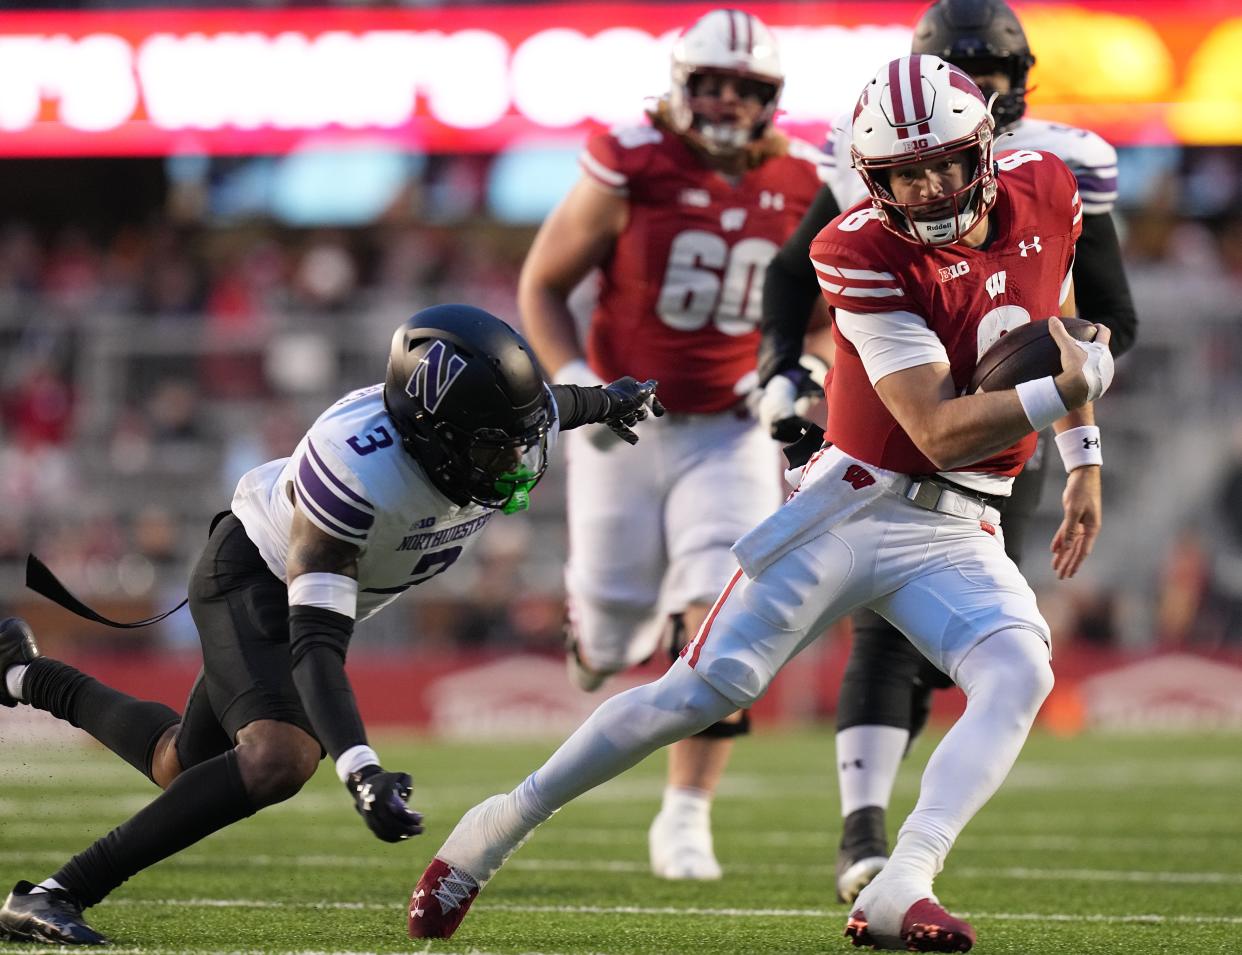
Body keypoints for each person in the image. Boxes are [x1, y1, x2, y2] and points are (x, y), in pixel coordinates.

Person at [408, 56, 1115, 952]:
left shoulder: (1046, 186)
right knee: (699, 692)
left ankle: (903, 884)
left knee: (1020, 672)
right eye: (905, 171)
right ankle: (493, 829)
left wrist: (1083, 451)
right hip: (854, 509)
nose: (931, 185)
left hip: (961, 522)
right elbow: (936, 427)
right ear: (874, 180)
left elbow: (1058, 317)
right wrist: (1066, 394)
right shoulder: (854, 247)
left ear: (983, 149)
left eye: (944, 161)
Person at [0, 304, 663, 946]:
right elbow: (314, 645)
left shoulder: (488, 420)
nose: (515, 466)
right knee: (280, 756)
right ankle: (55, 892)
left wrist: (611, 399)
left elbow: (553, 407)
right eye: (495, 451)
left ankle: (18, 671)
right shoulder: (357, 471)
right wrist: (359, 765)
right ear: (432, 433)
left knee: (181, 764)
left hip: (298, 587)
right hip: (254, 574)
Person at [755, 0, 1139, 903]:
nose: (991, 94)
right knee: (879, 624)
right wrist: (791, 373)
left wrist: (1072, 431)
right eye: (975, 75)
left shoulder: (1060, 166)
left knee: (962, 643)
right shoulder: (873, 158)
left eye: (999, 77)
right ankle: (863, 833)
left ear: (1017, 81)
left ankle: (902, 838)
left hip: (1009, 425)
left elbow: (1106, 316)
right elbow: (791, 275)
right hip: (898, 414)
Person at [518, 8, 830, 881]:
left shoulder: (808, 179)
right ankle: (601, 636)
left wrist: (797, 368)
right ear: (680, 84)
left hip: (731, 430)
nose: (727, 101)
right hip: (624, 425)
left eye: (747, 88)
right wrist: (581, 381)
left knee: (719, 623)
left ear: (771, 99)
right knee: (612, 644)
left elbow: (826, 320)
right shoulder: (631, 157)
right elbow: (543, 283)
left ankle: (686, 815)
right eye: (711, 84)